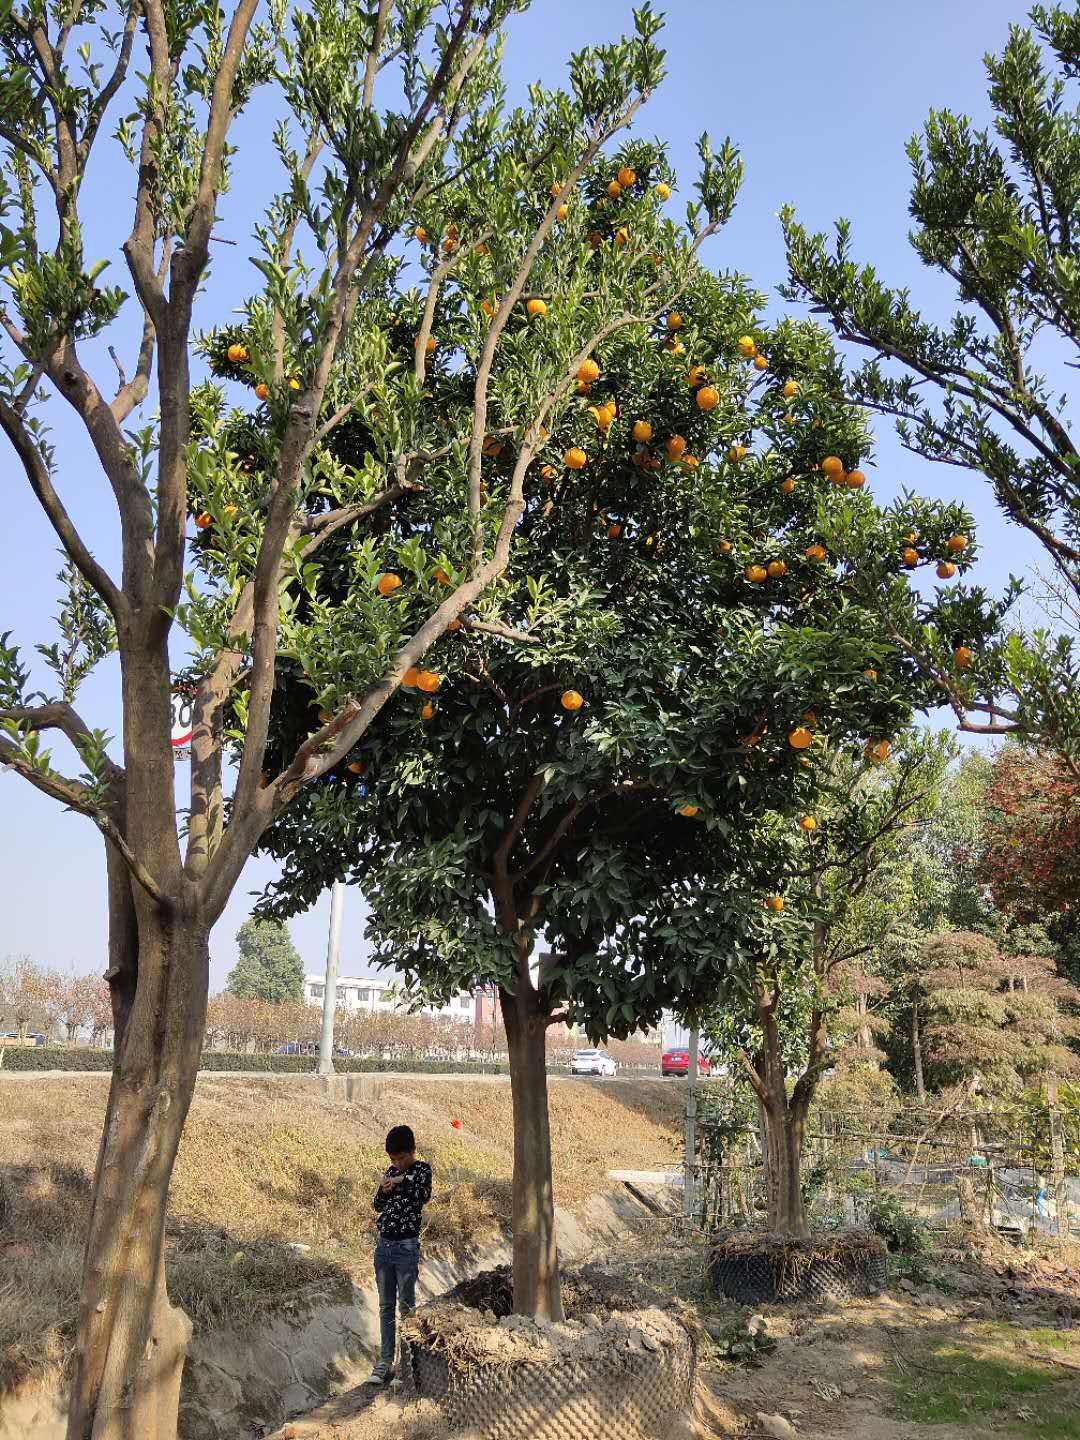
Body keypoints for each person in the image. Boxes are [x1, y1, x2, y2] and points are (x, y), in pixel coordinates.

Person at [364, 1124, 432, 1385]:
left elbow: (421, 1196)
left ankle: (407, 1363)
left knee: (406, 1306)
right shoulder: (391, 1173)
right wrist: (384, 1189)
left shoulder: (421, 1171)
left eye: (401, 1158)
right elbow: (377, 1205)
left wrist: (401, 1181)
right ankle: (384, 1362)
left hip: (406, 1248)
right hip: (384, 1247)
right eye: (393, 1160)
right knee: (385, 1306)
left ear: (413, 1152)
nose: (397, 1164)